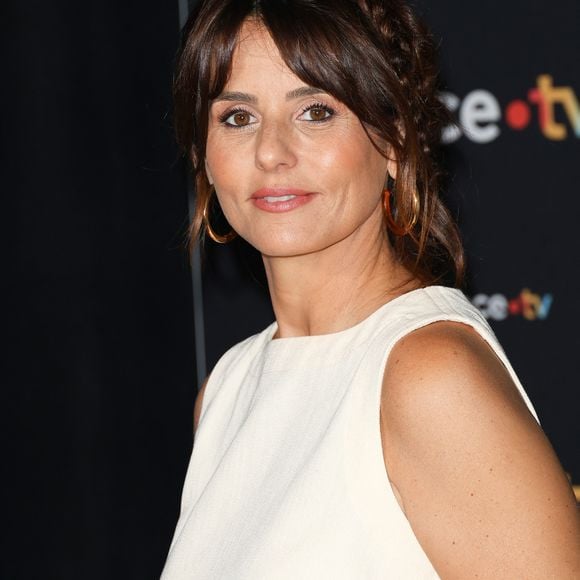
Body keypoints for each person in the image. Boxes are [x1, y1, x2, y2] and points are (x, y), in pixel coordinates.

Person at [161, 1, 580, 578]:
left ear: (394, 140)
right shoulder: (228, 389)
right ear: (203, 157)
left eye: (314, 111)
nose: (271, 152)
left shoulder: (427, 376)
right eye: (237, 117)